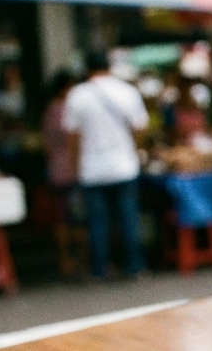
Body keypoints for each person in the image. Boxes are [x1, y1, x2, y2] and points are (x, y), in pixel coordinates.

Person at [64, 52, 150, 279]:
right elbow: (140, 128)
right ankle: (135, 266)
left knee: (97, 221)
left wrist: (74, 166)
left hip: (91, 169)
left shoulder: (77, 95)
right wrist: (133, 148)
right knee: (128, 217)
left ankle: (99, 269)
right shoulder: (127, 92)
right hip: (124, 165)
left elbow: (73, 138)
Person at [42, 72, 85, 277]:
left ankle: (66, 260)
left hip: (56, 169)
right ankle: (80, 260)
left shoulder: (50, 110)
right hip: (70, 169)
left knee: (63, 217)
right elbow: (73, 140)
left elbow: (47, 143)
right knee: (76, 217)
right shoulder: (66, 110)